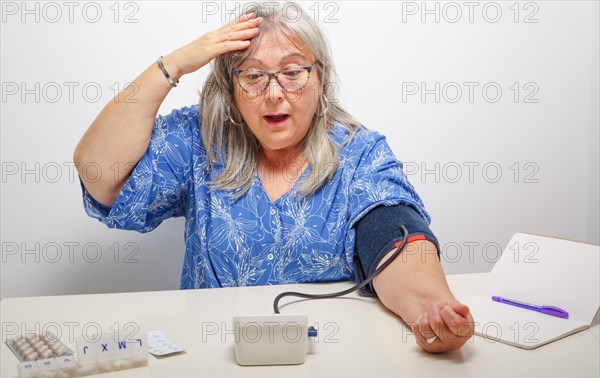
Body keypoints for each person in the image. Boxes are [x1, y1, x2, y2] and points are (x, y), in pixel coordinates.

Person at [73, 2, 474, 353]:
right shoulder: (201, 140)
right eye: (252, 76)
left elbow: (392, 233)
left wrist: (430, 307)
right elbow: (98, 172)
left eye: (293, 72)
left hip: (328, 362)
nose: (274, 92)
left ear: (320, 80)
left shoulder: (358, 152)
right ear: (230, 90)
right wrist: (171, 65)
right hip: (209, 361)